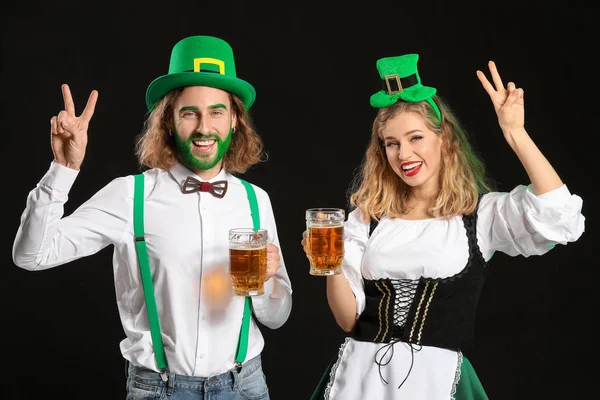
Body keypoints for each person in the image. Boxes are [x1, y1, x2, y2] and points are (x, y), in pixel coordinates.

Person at [12, 35, 292, 400]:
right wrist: (64, 168)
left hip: (245, 387)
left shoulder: (256, 201)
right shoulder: (132, 195)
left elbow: (277, 316)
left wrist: (268, 283)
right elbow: (32, 255)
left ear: (235, 120)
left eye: (217, 112)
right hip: (159, 390)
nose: (204, 127)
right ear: (169, 122)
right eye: (189, 112)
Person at [302, 53, 585, 399]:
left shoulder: (481, 215)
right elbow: (348, 320)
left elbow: (559, 215)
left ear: (443, 139)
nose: (404, 154)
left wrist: (515, 132)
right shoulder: (368, 217)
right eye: (392, 143)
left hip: (437, 383)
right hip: (359, 380)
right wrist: (329, 265)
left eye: (415, 137)